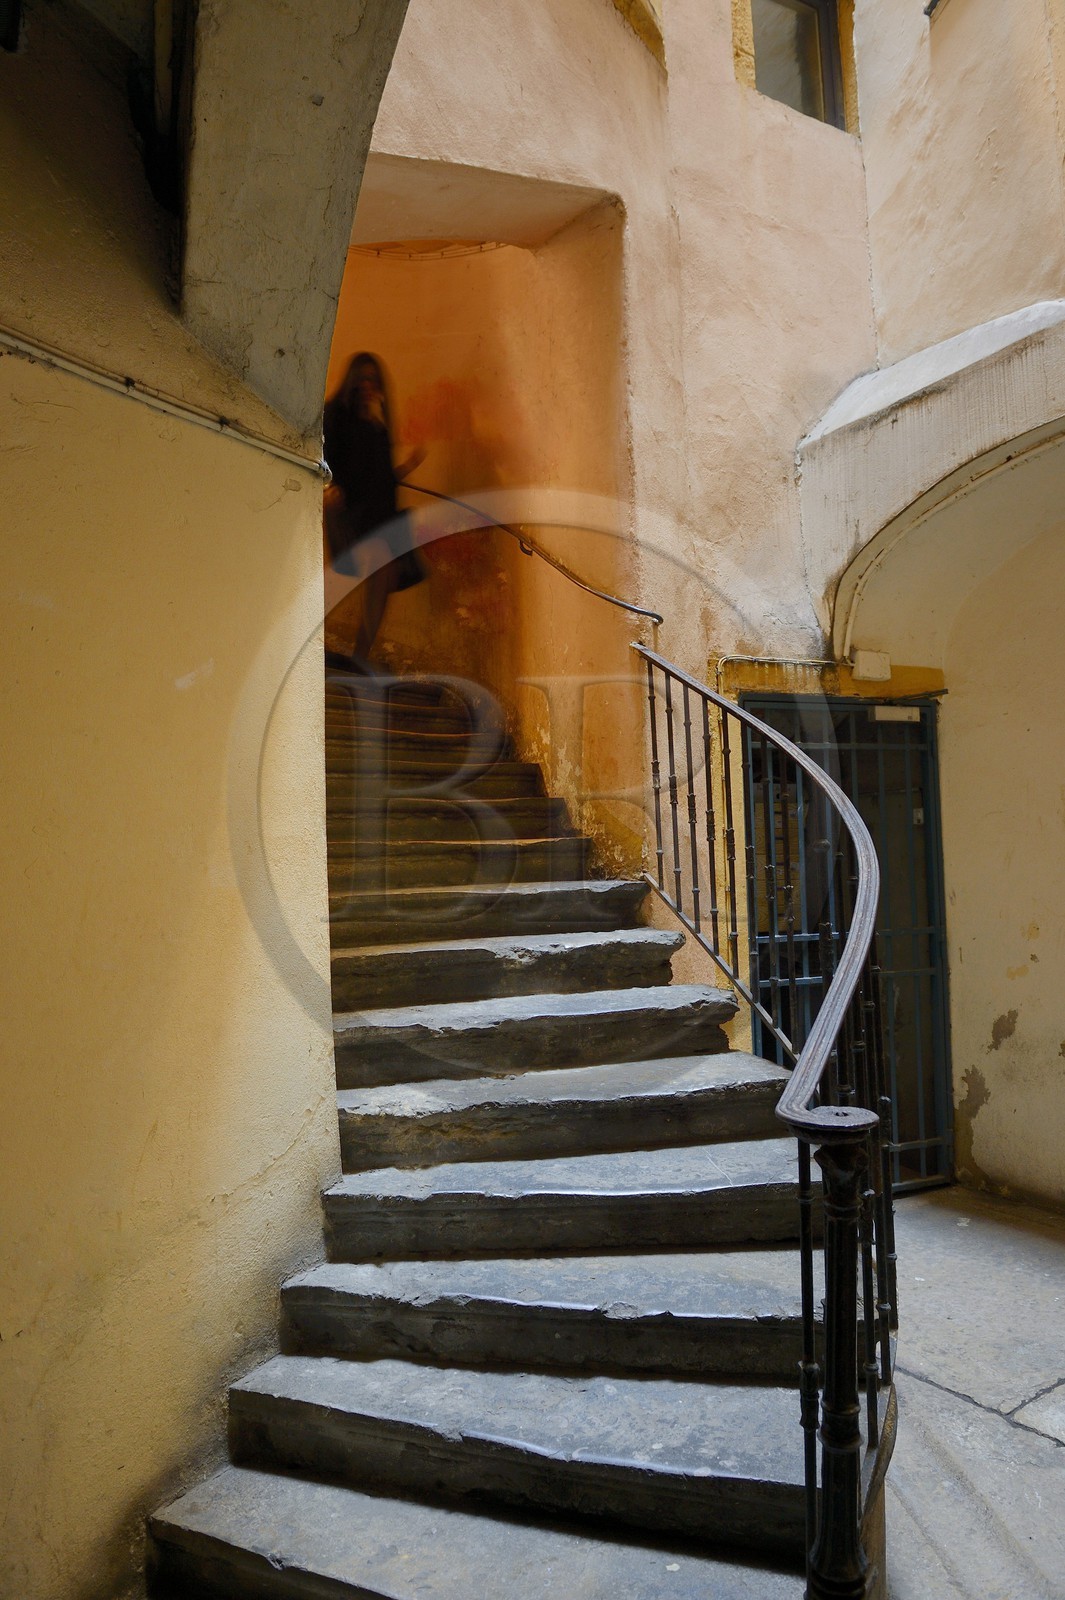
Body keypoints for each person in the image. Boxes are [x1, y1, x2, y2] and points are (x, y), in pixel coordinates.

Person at [322, 352, 426, 672]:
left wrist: (407, 467)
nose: (368, 385)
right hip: (351, 512)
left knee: (386, 575)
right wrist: (329, 487)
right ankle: (309, 639)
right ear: (352, 380)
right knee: (373, 566)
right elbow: (323, 452)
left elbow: (379, 478)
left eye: (373, 379)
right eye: (363, 378)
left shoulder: (377, 427)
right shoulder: (336, 413)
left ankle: (360, 656)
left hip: (379, 514)